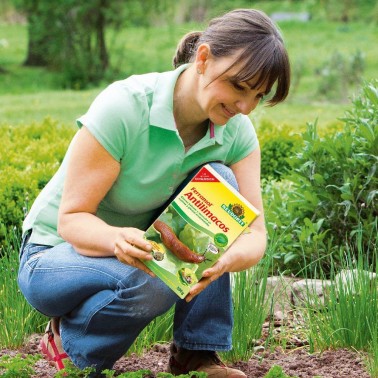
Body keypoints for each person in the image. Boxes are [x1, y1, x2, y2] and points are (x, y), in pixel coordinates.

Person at [18, 8, 290, 377]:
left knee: (220, 181)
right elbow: (71, 220)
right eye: (239, 86)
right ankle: (74, 349)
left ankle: (196, 356)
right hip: (54, 257)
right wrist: (116, 239)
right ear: (204, 58)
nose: (245, 107)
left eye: (258, 95)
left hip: (140, 252)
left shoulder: (236, 132)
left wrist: (223, 259)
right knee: (156, 278)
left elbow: (255, 235)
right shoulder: (126, 107)